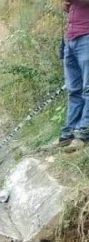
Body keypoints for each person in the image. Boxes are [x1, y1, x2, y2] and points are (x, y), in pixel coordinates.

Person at [57, 0, 89, 148]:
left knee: (87, 88)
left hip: (86, 36)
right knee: (73, 89)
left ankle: (83, 132)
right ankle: (69, 133)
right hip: (72, 38)